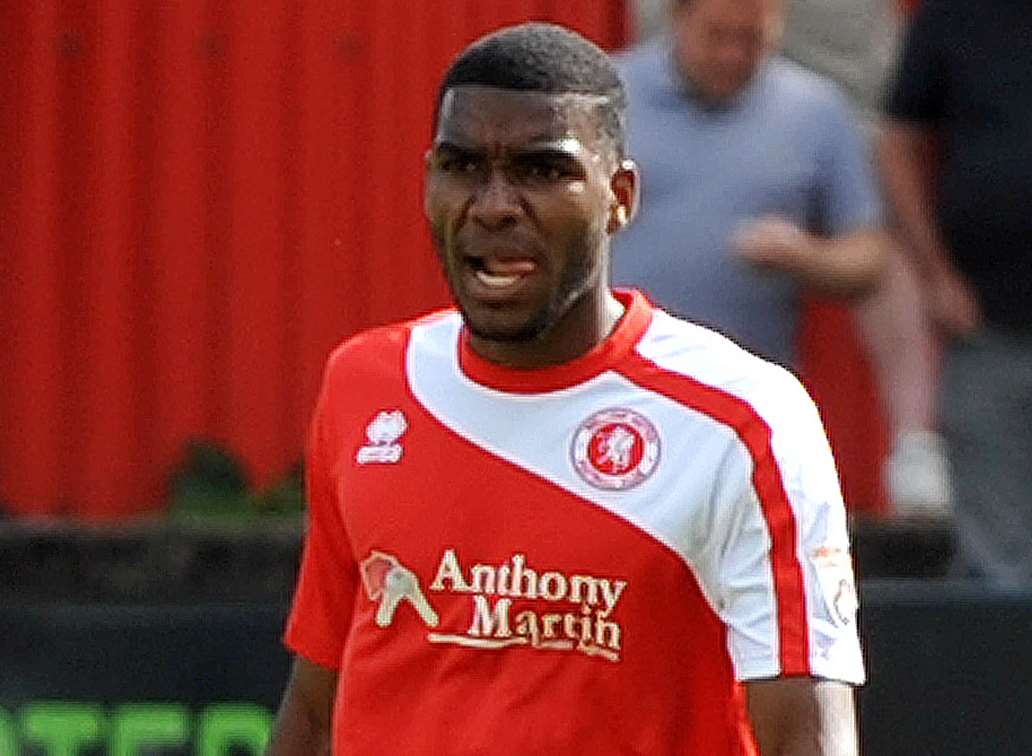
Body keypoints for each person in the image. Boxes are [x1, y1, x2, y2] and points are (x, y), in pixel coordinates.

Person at [267, 22, 863, 755]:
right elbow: (313, 711)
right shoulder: (366, 384)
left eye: (541, 171)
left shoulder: (745, 422)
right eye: (462, 166)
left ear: (619, 197)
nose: (492, 205)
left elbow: (808, 740)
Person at [615, 0, 952, 518]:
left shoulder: (814, 110)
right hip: (621, 384)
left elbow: (869, 256)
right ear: (677, 19)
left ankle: (915, 448)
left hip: (745, 402)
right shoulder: (611, 96)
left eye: (752, 40)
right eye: (717, 36)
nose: (732, 55)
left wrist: (805, 257)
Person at [880, 0, 1032, 583]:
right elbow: (896, 140)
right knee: (998, 560)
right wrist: (933, 272)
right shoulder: (953, 18)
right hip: (983, 321)